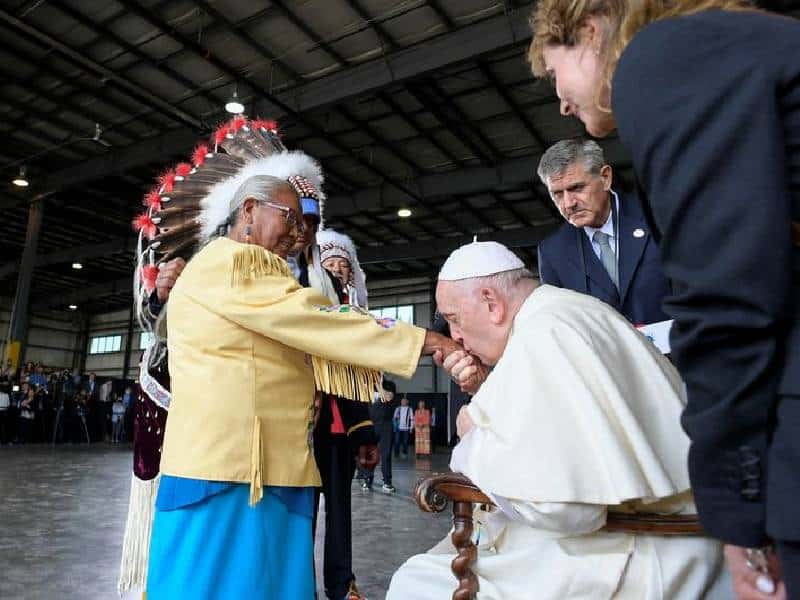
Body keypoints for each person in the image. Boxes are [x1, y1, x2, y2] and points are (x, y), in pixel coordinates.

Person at [528, 2, 799, 597]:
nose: (562, 101)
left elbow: (731, 296)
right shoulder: (729, 42)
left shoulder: (662, 57)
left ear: (593, 34)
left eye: (556, 76)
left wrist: (736, 516)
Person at [130, 117, 457, 599]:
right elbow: (319, 320)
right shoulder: (234, 263)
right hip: (234, 474)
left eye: (307, 224)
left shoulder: (253, 269)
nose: (299, 234)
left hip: (261, 469)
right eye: (289, 218)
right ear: (248, 210)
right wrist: (427, 340)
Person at [389, 240, 729, 599]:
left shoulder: (544, 335)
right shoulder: (567, 311)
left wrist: (472, 435)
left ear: (491, 303)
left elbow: (563, 509)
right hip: (656, 536)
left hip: (634, 551)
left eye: (455, 320)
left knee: (418, 582)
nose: (455, 336)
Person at [311, 227, 381, 599]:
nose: (338, 269)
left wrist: (364, 432)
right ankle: (297, 582)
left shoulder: (357, 318)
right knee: (299, 514)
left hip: (342, 430)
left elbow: (358, 382)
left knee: (339, 512)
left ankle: (341, 584)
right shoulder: (304, 306)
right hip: (304, 426)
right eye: (330, 263)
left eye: (343, 265)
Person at [536, 138, 669, 325]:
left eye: (577, 188)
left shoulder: (657, 216)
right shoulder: (552, 252)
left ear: (605, 178)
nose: (568, 203)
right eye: (558, 194)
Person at [367, 378, 397, 493]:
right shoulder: (366, 386)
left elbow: (387, 397)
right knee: (369, 453)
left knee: (386, 454)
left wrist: (378, 385)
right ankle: (367, 479)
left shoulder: (390, 385)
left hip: (386, 425)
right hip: (371, 424)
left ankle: (387, 482)